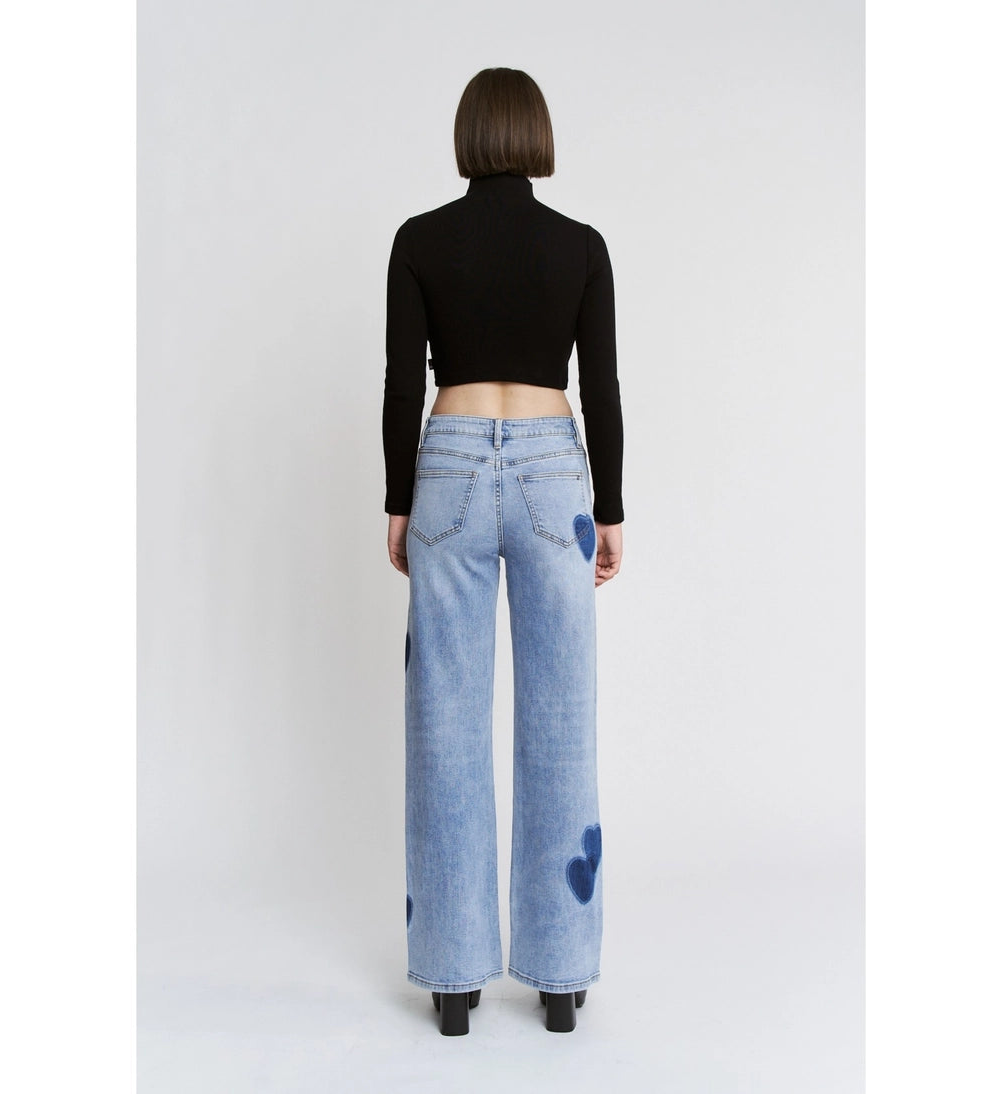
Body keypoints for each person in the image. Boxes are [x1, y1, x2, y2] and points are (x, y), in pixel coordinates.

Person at [383, 67, 624, 1036]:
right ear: (536, 135)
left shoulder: (418, 239)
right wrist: (610, 506)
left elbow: (402, 381)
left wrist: (399, 500)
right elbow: (600, 385)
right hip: (551, 469)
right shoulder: (581, 245)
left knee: (444, 717)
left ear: (467, 135)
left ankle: (452, 981)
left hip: (447, 462)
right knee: (561, 712)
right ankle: (559, 980)